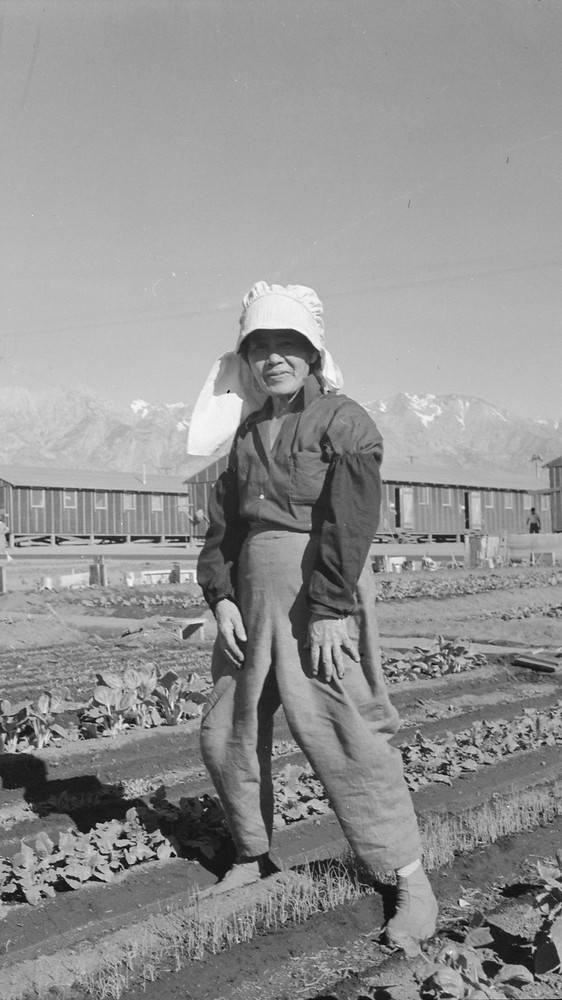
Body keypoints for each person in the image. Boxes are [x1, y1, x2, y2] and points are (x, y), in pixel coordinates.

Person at [187, 281, 438, 949]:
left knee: (345, 730)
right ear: (245, 360)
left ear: (313, 352)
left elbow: (350, 525)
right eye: (260, 346)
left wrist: (330, 610)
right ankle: (253, 854)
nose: (274, 358)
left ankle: (408, 878)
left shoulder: (345, 422)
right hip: (251, 601)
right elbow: (222, 530)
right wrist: (220, 598)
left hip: (315, 596)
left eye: (288, 345)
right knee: (225, 731)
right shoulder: (246, 434)